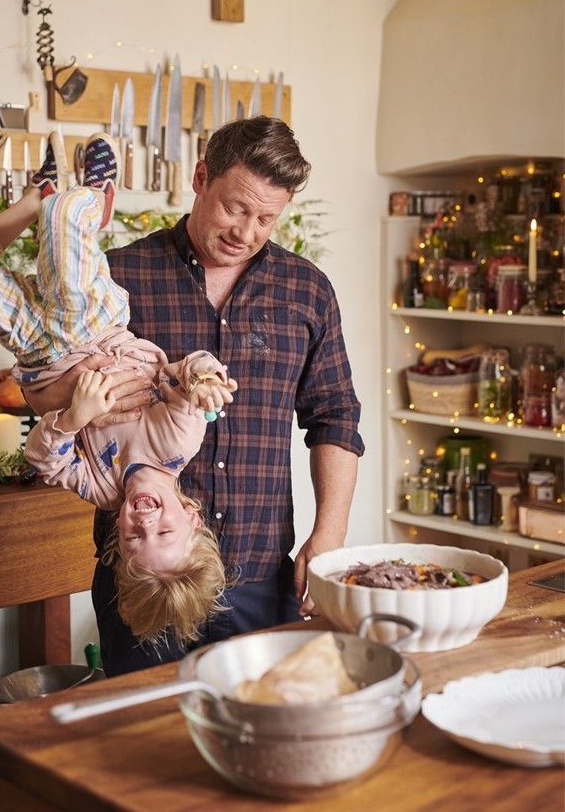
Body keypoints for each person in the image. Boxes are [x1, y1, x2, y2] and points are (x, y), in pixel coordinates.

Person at [24, 116, 365, 676]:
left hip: (260, 575)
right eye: (235, 207)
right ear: (202, 177)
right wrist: (89, 394)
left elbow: (336, 417)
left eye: (266, 218)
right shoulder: (117, 277)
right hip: (142, 578)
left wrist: (328, 534)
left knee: (262, 729)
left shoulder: (306, 291)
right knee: (141, 740)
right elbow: (38, 388)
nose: (246, 231)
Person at [0, 132, 237, 646]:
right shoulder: (177, 442)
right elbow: (187, 371)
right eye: (164, 532)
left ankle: (34, 198)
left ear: (119, 539)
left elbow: (44, 460)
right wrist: (204, 380)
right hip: (92, 326)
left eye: (135, 538)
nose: (144, 522)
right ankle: (97, 194)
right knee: (70, 214)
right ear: (191, 515)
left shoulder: (102, 489)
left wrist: (74, 416)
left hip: (38, 349)